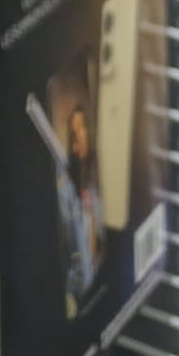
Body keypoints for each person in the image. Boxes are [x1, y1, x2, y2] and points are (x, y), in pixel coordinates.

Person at [54, 103, 105, 309]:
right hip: (81, 281)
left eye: (81, 127)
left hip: (102, 274)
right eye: (73, 133)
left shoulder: (99, 175)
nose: (79, 137)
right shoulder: (66, 185)